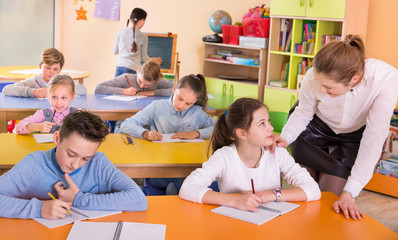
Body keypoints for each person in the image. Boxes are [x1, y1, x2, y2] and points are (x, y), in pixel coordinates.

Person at [274, 35, 398, 220]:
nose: (321, 90)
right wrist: (286, 137)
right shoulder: (313, 76)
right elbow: (303, 113)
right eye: (319, 83)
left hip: (349, 140)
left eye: (328, 86)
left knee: (328, 205)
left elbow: (373, 139)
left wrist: (350, 194)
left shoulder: (386, 80)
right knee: (302, 197)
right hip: (311, 131)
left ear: (354, 79)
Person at [0, 110, 148, 219]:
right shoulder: (34, 165)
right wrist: (39, 209)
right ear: (57, 138)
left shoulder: (99, 163)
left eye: (86, 158)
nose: (76, 165)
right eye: (71, 154)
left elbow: (139, 200)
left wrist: (79, 199)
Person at [179, 98, 321, 211]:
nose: (271, 128)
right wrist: (235, 201)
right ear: (242, 133)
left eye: (269, 121)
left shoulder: (277, 153)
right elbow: (188, 188)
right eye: (262, 124)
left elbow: (313, 189)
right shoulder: (224, 156)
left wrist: (272, 195)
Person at [118, 74, 216, 194]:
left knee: (181, 181)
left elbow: (218, 128)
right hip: (159, 170)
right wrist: (145, 133)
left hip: (184, 166)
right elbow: (126, 124)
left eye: (188, 104)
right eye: (180, 98)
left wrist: (196, 133)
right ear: (174, 88)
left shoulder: (197, 113)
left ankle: (173, 190)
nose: (181, 105)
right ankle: (177, 191)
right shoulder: (157, 107)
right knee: (186, 181)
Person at [2, 48, 87, 98]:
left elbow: (82, 90)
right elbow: (7, 90)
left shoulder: (62, 81)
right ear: (40, 66)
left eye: (55, 69)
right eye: (48, 67)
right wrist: (34, 92)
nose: (51, 72)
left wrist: (62, 88)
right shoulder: (34, 82)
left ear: (60, 70)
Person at [113, 8, 162, 77]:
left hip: (120, 67)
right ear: (142, 21)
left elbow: (115, 51)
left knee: (118, 88)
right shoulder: (143, 37)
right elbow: (145, 59)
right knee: (131, 88)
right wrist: (154, 60)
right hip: (133, 69)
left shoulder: (120, 33)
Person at [95, 61, 173, 96]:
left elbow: (177, 90)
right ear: (139, 71)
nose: (142, 86)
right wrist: (123, 91)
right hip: (124, 113)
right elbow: (98, 88)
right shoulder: (125, 78)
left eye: (147, 85)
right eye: (140, 81)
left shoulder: (158, 81)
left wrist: (152, 92)